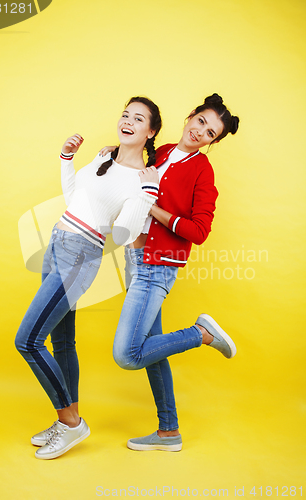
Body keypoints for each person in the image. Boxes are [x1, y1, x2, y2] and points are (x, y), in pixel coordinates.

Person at [15, 96, 162, 459]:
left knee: (28, 340)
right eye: (125, 114)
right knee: (62, 342)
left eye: (138, 118)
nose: (127, 121)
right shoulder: (103, 157)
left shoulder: (141, 179)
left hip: (80, 254)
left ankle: (71, 423)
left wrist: (149, 192)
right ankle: (71, 420)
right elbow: (73, 198)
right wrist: (67, 159)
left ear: (151, 132)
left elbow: (124, 234)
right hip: (58, 241)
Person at [101, 93, 239, 451]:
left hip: (157, 266)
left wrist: (156, 208)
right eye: (200, 121)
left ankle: (201, 334)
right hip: (136, 258)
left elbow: (199, 231)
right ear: (190, 116)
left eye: (210, 132)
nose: (200, 131)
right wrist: (114, 154)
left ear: (213, 142)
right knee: (152, 349)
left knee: (128, 353)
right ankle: (169, 432)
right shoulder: (159, 153)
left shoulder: (201, 171)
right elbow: (133, 171)